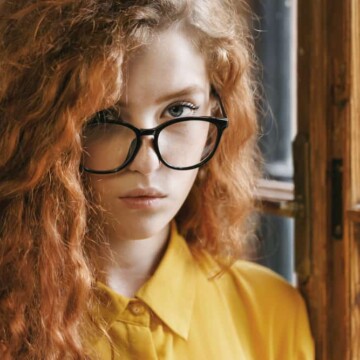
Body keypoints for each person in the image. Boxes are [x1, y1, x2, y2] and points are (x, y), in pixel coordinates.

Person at [0, 0, 314, 359]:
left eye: (177, 110)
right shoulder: (12, 318)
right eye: (104, 116)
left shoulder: (270, 312)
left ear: (214, 117)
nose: (146, 162)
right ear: (51, 131)